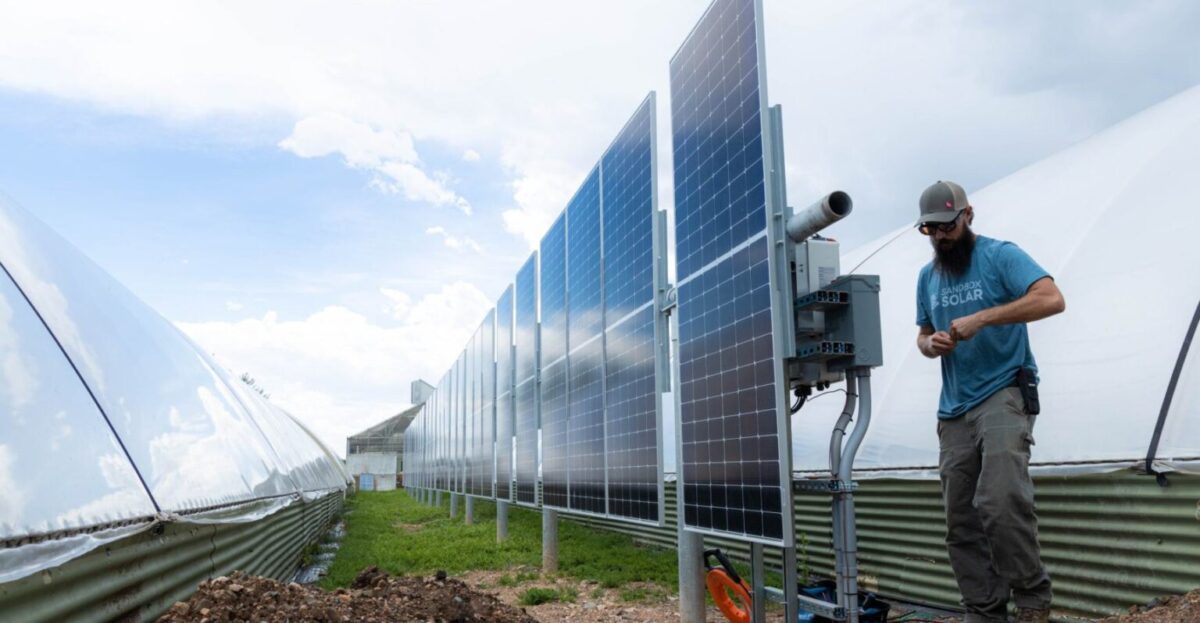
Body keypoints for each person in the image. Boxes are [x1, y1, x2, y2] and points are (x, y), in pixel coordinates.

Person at [913, 180, 1066, 623]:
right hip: (953, 406)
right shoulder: (927, 277)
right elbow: (922, 336)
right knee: (960, 519)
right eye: (930, 230)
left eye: (946, 225)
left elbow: (1051, 298)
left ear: (968, 215)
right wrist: (932, 345)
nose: (940, 236)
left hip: (1003, 390)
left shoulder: (1001, 256)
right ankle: (983, 611)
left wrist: (984, 317)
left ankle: (1033, 601)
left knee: (999, 501)